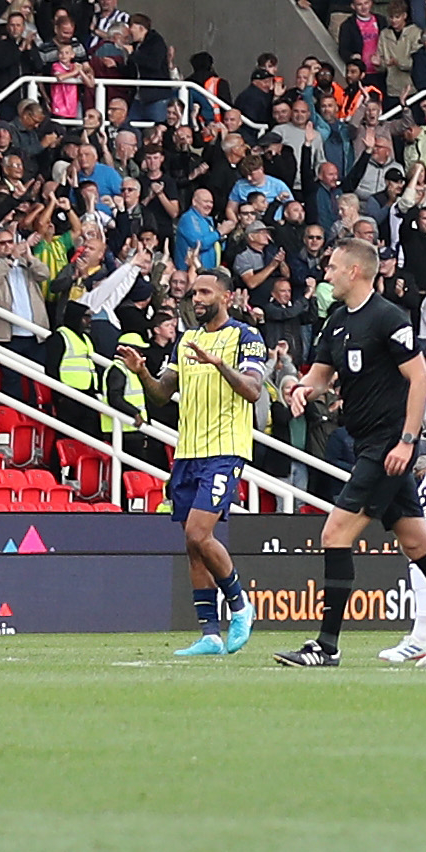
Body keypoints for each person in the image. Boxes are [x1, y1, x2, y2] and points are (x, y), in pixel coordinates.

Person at [282, 226, 426, 670]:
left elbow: (420, 381)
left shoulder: (388, 317)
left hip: (388, 445)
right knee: (415, 541)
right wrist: (300, 387)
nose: (326, 274)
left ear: (355, 270)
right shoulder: (336, 320)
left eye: (332, 267)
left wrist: (408, 441)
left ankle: (326, 646)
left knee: (334, 534)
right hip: (367, 440)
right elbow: (320, 375)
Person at [162, 270, 268, 658]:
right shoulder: (186, 339)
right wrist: (141, 372)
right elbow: (162, 393)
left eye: (205, 291)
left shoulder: (246, 336)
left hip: (224, 449)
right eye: (194, 293)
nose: (198, 298)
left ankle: (241, 607)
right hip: (187, 451)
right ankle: (210, 634)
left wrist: (219, 363)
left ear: (227, 295)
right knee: (193, 547)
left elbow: (253, 390)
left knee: (197, 534)